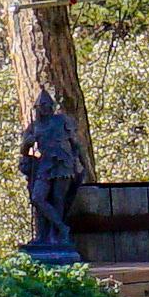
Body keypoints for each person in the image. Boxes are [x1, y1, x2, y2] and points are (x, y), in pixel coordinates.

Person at [16, 88, 90, 260]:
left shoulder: (62, 121)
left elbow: (76, 145)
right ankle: (61, 228)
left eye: (48, 105)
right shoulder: (34, 127)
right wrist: (27, 144)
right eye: (41, 106)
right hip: (44, 165)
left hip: (63, 164)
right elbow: (24, 150)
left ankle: (54, 236)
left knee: (58, 200)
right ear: (37, 108)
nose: (45, 108)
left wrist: (83, 165)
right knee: (38, 197)